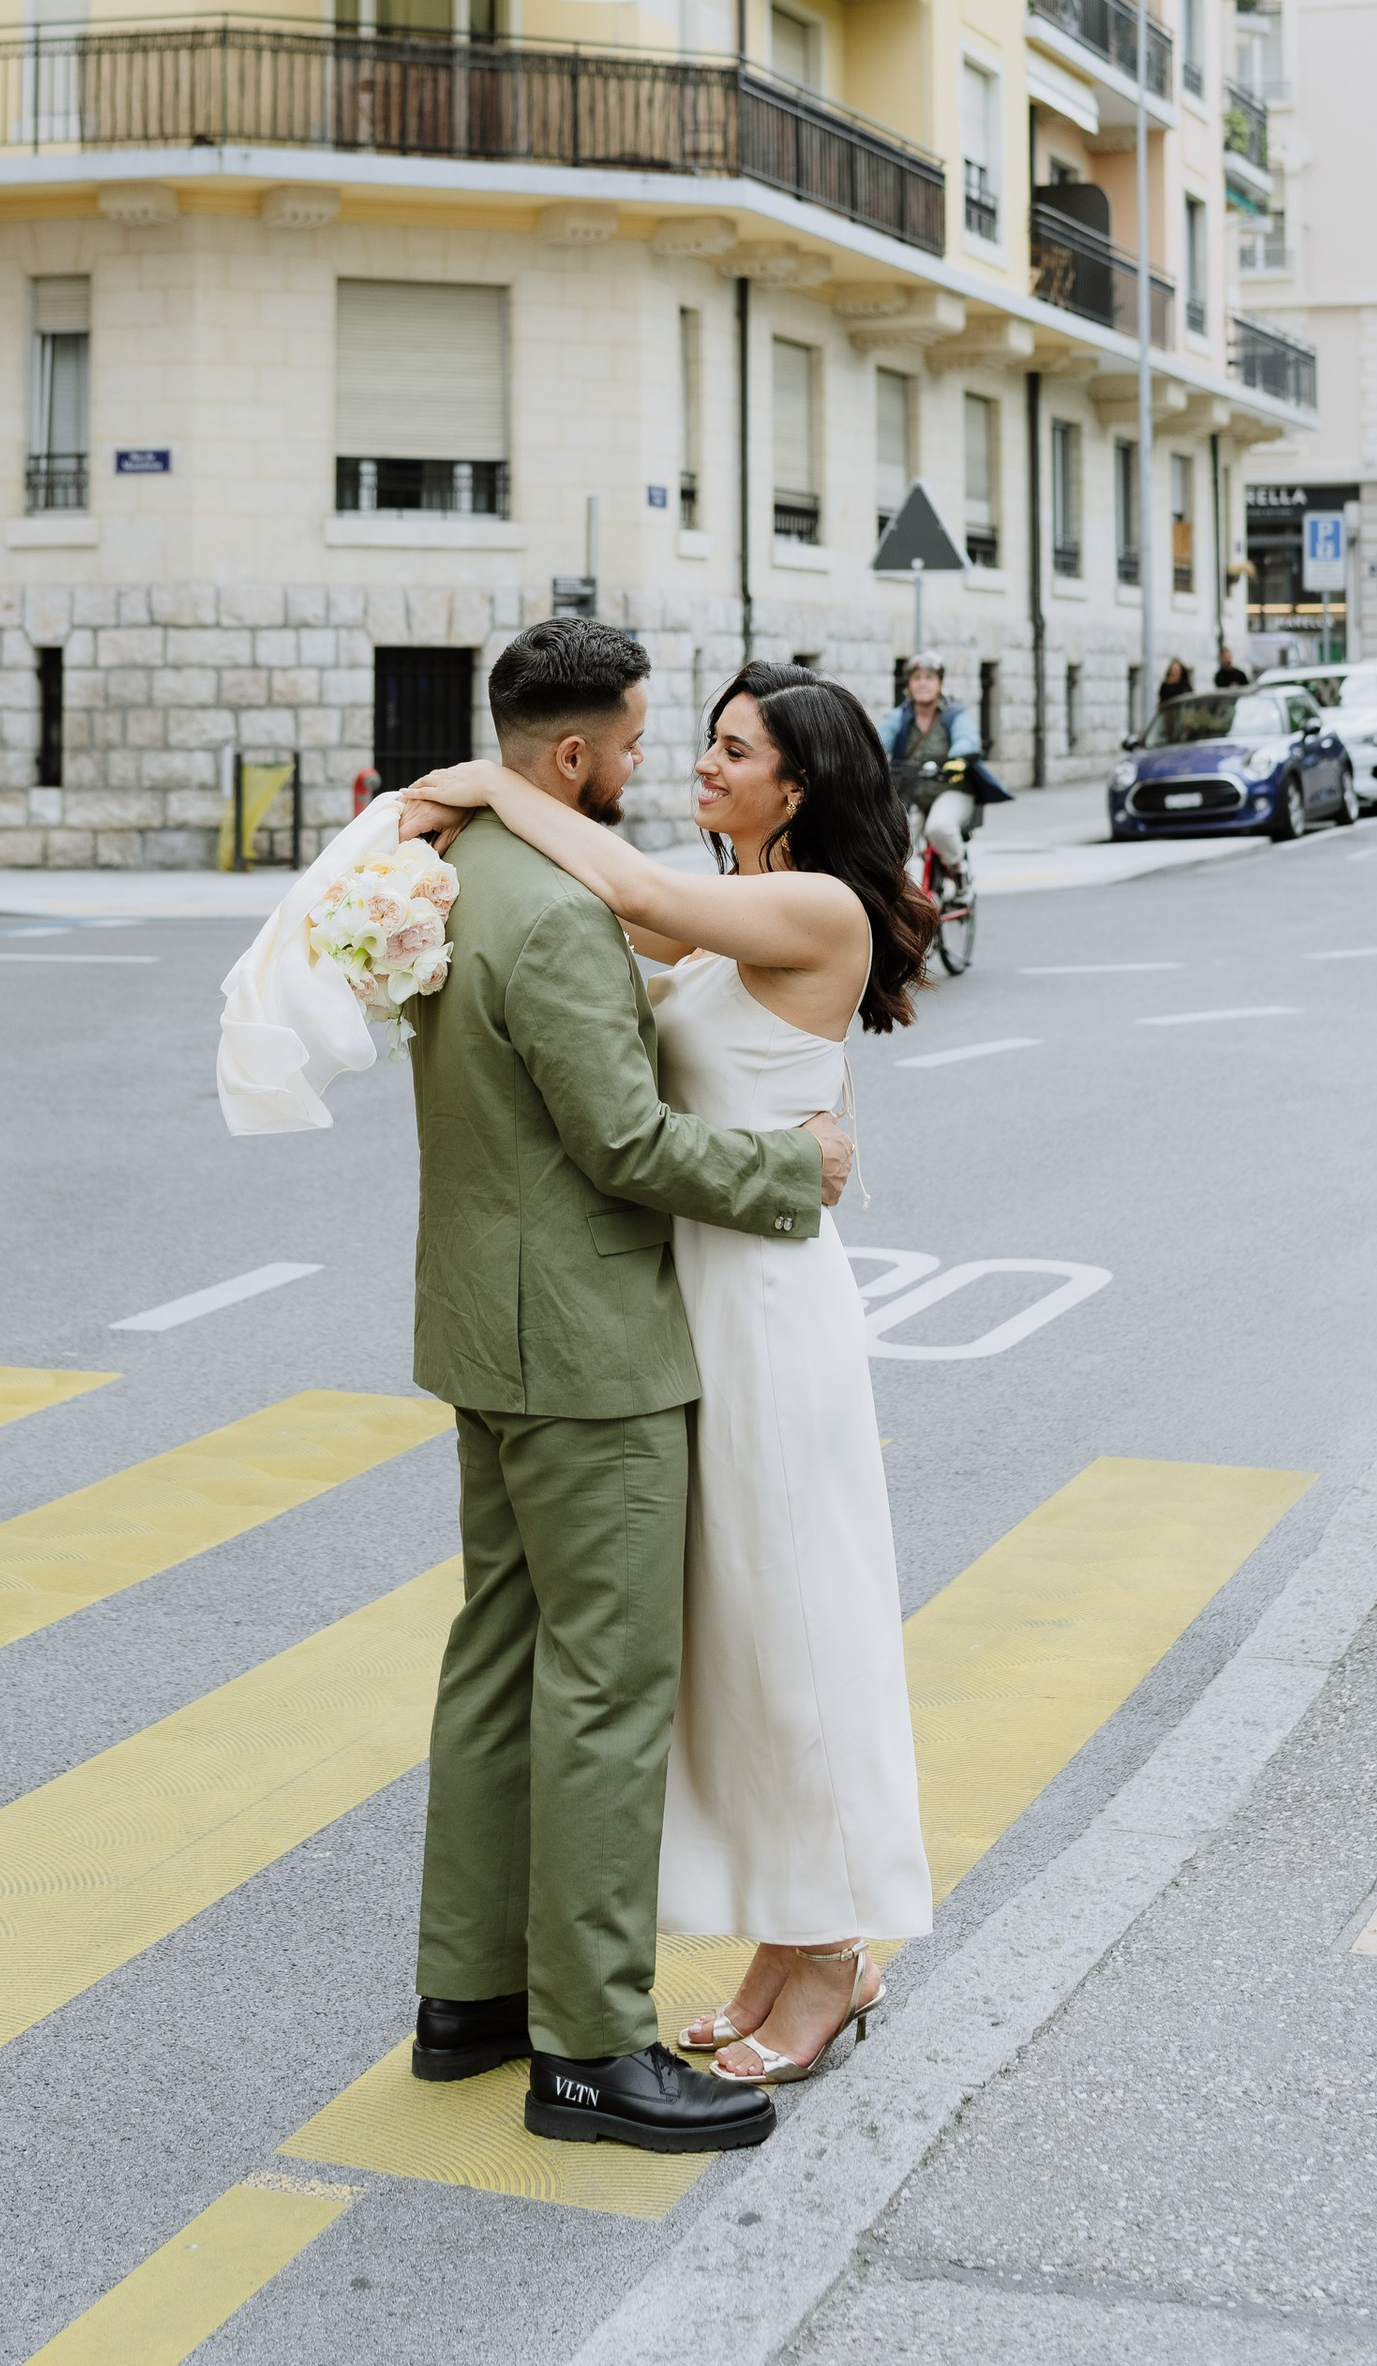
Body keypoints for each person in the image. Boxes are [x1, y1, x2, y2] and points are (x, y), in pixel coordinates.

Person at [405, 650, 936, 2106]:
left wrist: (497, 786)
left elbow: (628, 895)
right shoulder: (724, 920)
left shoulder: (808, 904)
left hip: (766, 1307)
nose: (703, 763)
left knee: (796, 1632)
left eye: (733, 748)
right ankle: (788, 1945)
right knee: (736, 1646)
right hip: (690, 1297)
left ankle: (832, 1953)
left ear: (801, 785)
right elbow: (582, 933)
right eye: (693, 741)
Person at [881, 654, 983, 878]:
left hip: (951, 788)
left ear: (940, 684)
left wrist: (959, 757)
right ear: (909, 684)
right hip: (911, 794)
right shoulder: (901, 716)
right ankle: (912, 895)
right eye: (916, 678)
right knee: (898, 840)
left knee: (939, 827)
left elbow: (966, 737)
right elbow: (879, 738)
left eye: (929, 678)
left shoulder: (953, 714)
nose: (922, 683)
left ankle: (960, 872)